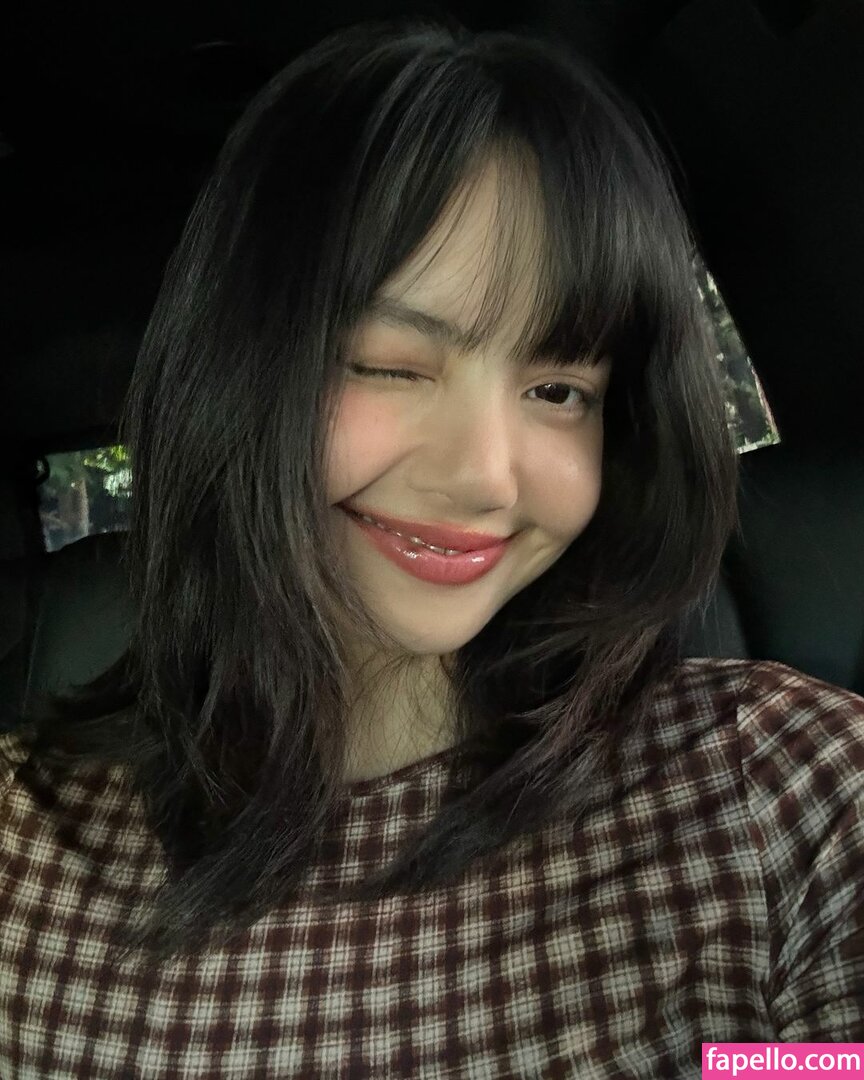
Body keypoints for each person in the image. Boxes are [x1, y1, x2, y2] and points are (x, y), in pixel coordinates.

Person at [2, 17, 862, 1078]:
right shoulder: (22, 856)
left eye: (560, 390)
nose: (487, 477)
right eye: (390, 364)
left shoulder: (786, 788)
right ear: (233, 376)